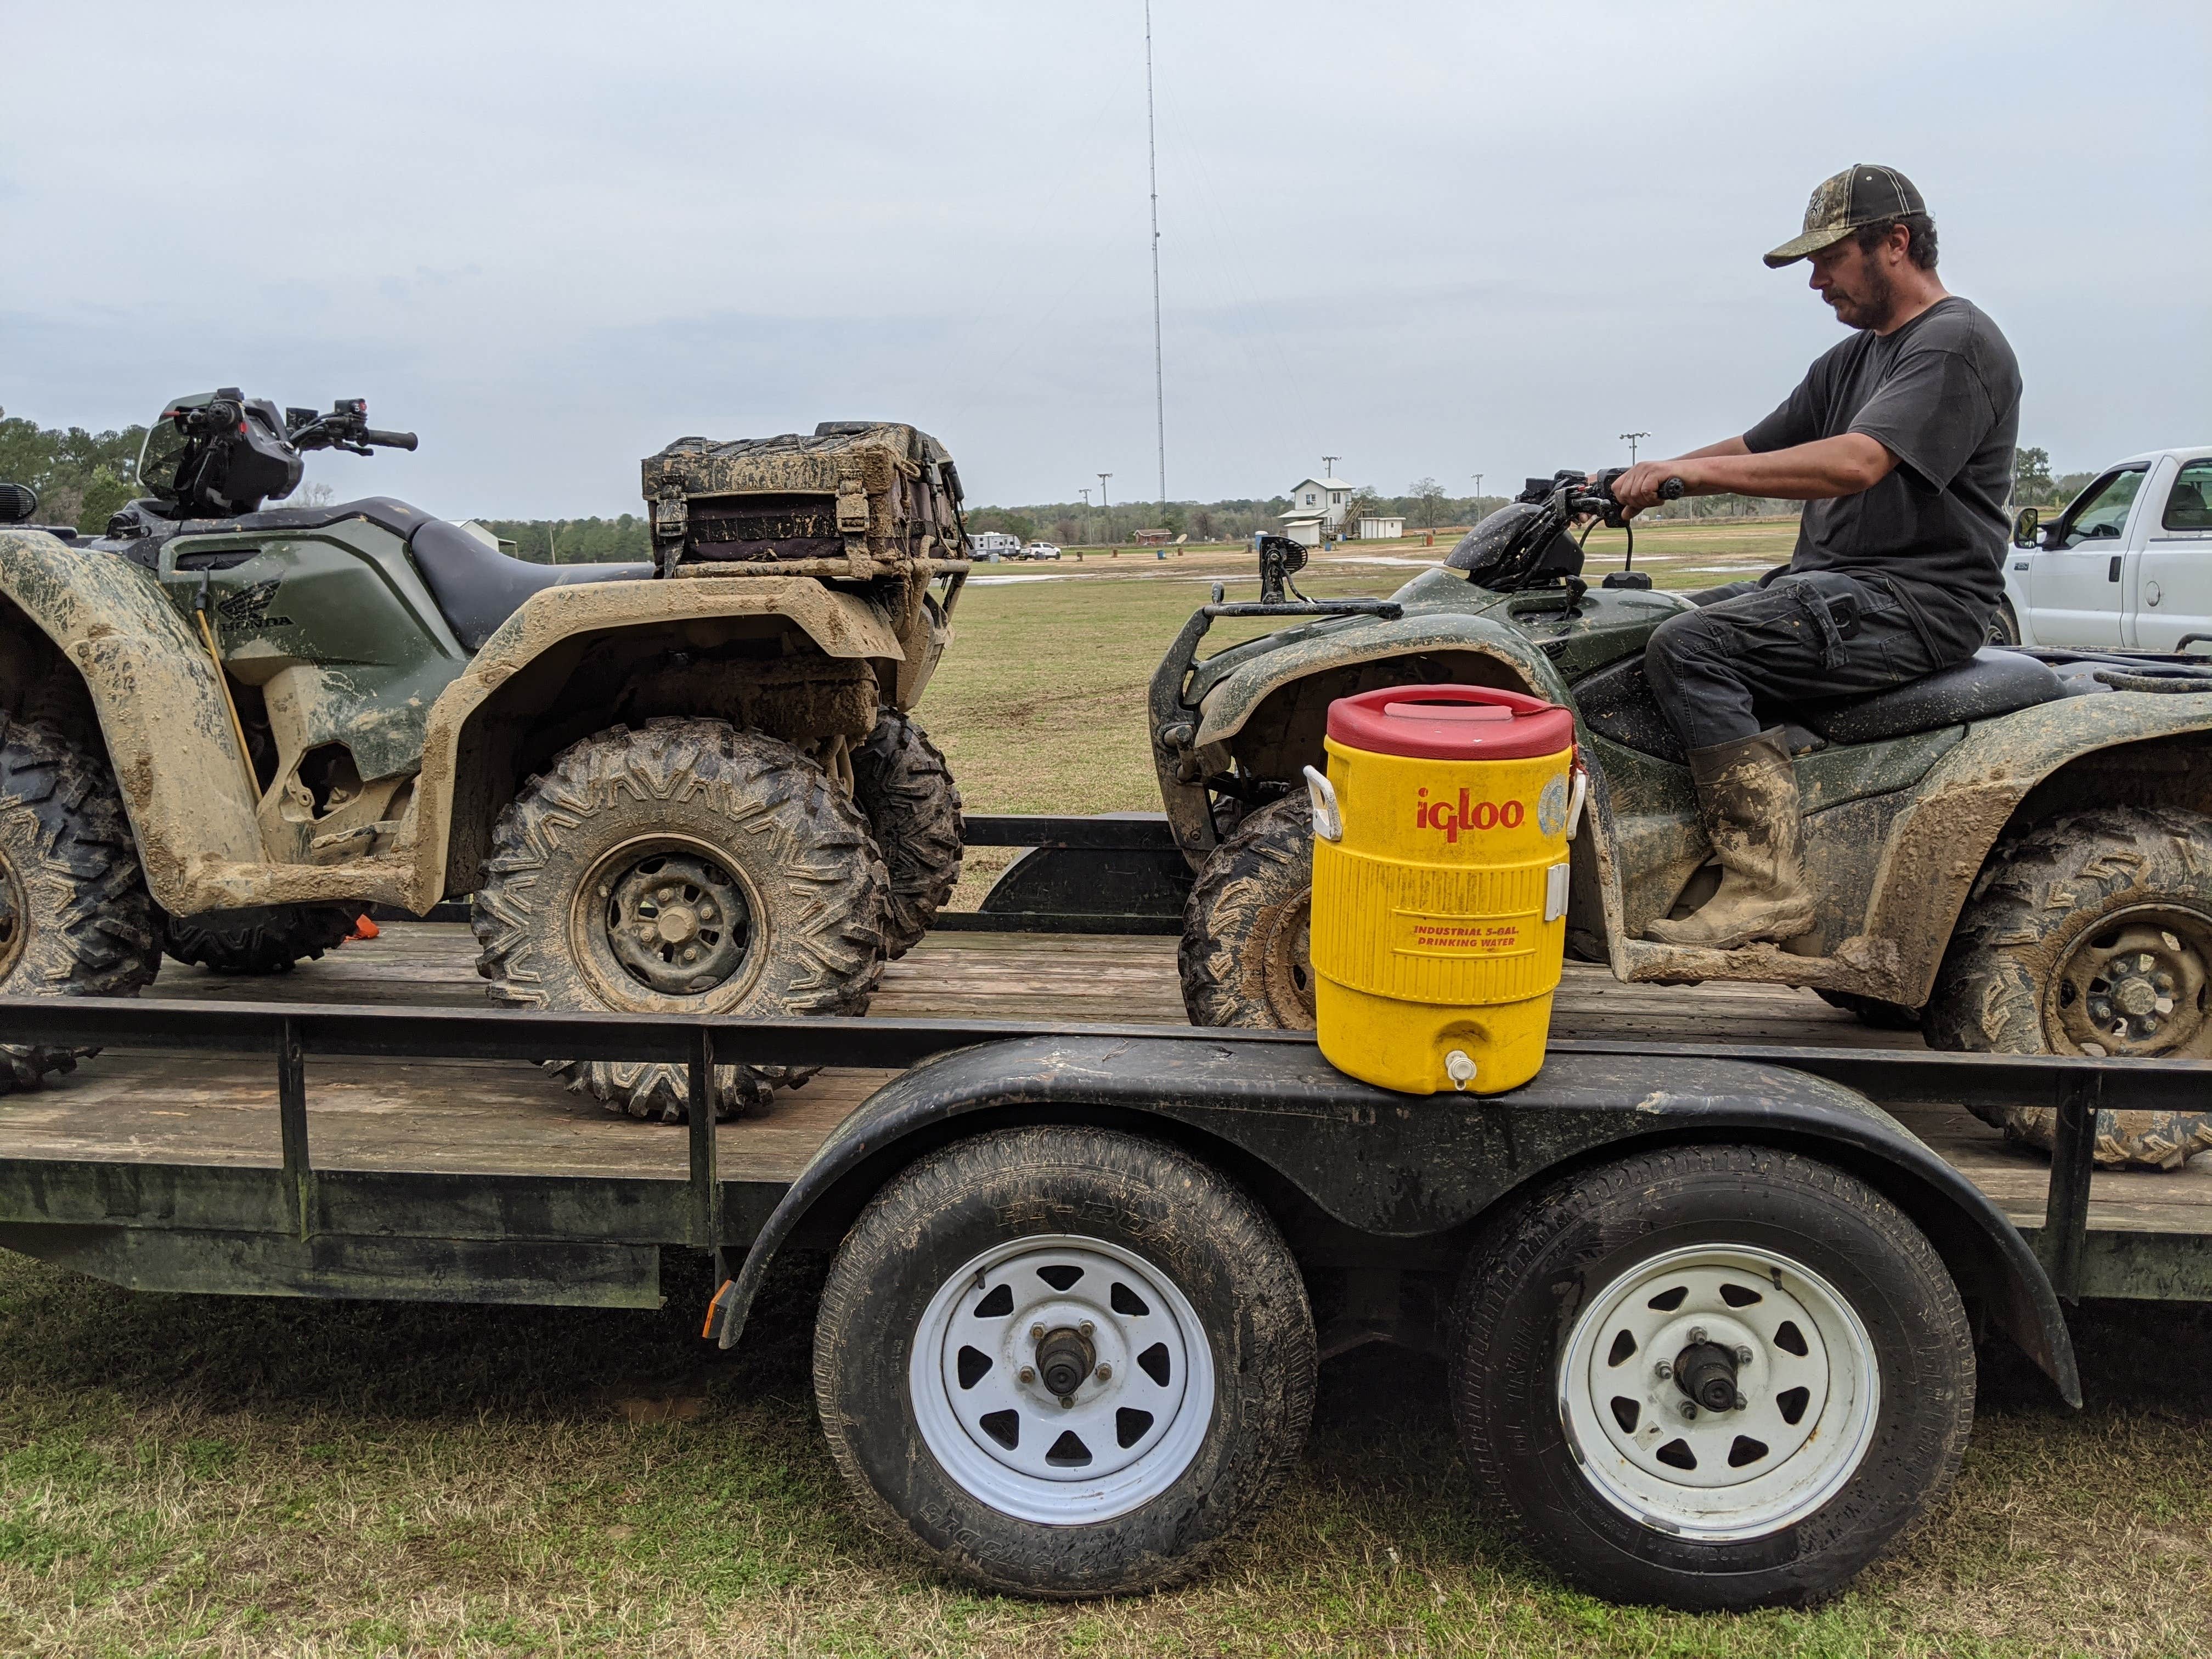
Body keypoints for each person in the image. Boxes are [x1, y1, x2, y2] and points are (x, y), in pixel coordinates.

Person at [1605, 164, 2021, 950]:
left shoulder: (1954, 344)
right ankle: (1680, 853)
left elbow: (1855, 463)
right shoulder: (1855, 357)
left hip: (1915, 603)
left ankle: (1766, 884)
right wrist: (1631, 477)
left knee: (1694, 649)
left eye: (1829, 258)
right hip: (1836, 589)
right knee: (1644, 621)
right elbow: (1759, 446)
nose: (1817, 280)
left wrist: (1683, 477)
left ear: (1894, 244)